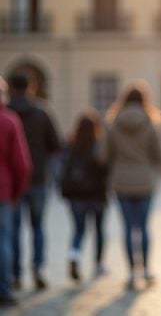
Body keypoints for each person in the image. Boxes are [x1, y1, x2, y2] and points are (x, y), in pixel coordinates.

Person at [102, 81, 161, 289]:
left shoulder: (113, 123)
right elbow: (160, 153)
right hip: (145, 180)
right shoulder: (150, 122)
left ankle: (130, 273)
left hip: (121, 181)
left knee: (128, 228)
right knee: (144, 227)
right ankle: (146, 270)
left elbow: (103, 155)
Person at [7, 72, 60, 291]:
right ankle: (38, 268)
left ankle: (16, 274)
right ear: (31, 87)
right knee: (38, 226)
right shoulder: (42, 112)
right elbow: (55, 146)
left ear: (11, 88)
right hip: (38, 178)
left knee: (14, 229)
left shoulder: (7, 113)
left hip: (12, 181)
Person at [60, 109, 110, 282]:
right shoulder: (99, 146)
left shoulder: (72, 146)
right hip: (96, 195)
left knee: (78, 230)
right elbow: (105, 170)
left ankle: (74, 256)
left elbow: (64, 171)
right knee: (99, 230)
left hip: (76, 196)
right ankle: (98, 264)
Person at [0, 76, 31, 306]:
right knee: (3, 240)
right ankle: (4, 288)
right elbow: (22, 164)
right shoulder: (9, 120)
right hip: (3, 191)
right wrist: (16, 191)